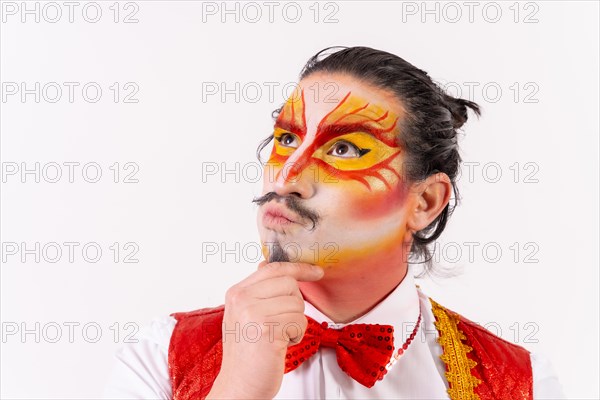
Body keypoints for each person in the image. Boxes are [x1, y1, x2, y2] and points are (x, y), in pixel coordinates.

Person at [104, 46, 565, 399]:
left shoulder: (524, 384)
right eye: (286, 138)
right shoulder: (159, 356)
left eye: (343, 149)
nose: (285, 177)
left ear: (425, 201)